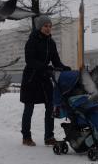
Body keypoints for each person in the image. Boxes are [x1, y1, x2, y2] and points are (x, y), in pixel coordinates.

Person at [20, 15, 71, 146]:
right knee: (29, 108)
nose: (48, 29)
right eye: (45, 26)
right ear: (40, 27)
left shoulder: (51, 42)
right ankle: (26, 137)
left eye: (50, 26)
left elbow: (56, 61)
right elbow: (29, 60)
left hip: (44, 78)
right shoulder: (32, 41)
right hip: (31, 78)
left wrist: (64, 68)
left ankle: (49, 136)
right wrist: (45, 68)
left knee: (50, 107)